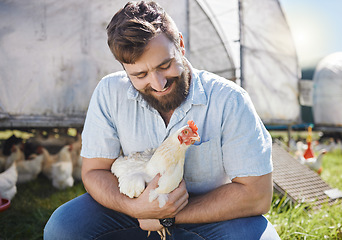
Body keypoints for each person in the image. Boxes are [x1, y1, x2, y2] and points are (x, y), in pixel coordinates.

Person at [44, 1, 280, 239]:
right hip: (133, 211)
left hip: (211, 213)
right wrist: (134, 208)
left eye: (165, 65)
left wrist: (166, 215)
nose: (158, 84)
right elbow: (94, 171)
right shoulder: (109, 92)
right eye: (140, 75)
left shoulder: (229, 100)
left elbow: (257, 196)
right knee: (62, 228)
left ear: (180, 46)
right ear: (125, 71)